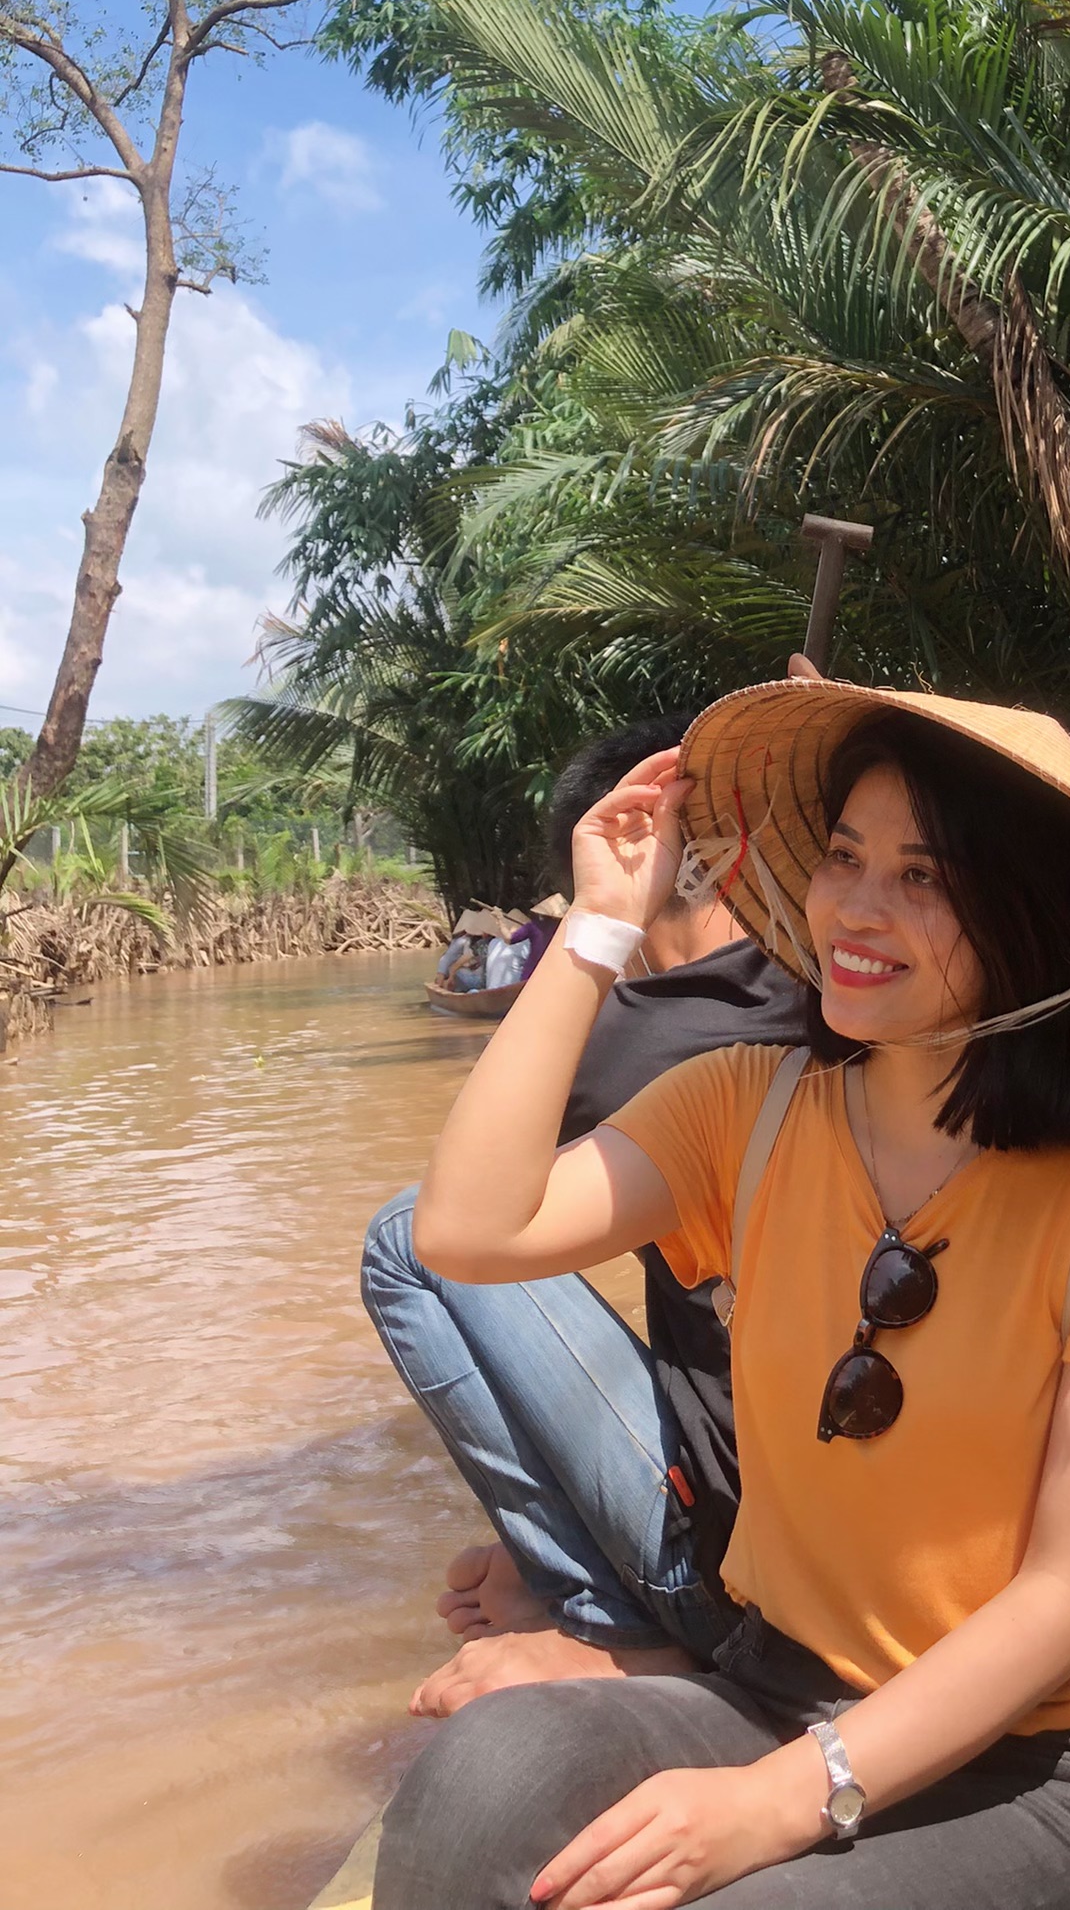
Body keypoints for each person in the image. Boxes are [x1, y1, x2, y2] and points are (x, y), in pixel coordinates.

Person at [375, 679, 1070, 1910]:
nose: (856, 909)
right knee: (479, 1784)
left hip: (1034, 1772)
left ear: (1032, 923)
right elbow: (462, 1230)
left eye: (923, 878)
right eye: (842, 856)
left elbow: (1066, 1593)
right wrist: (601, 927)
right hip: (775, 1687)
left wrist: (778, 1801)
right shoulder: (744, 1109)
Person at [361, 714, 807, 1683]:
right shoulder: (838, 992)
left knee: (405, 1239)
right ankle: (584, 1578)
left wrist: (601, 924)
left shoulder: (632, 1043)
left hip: (729, 1572)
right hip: (824, 1538)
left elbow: (465, 1217)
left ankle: (604, 1616)